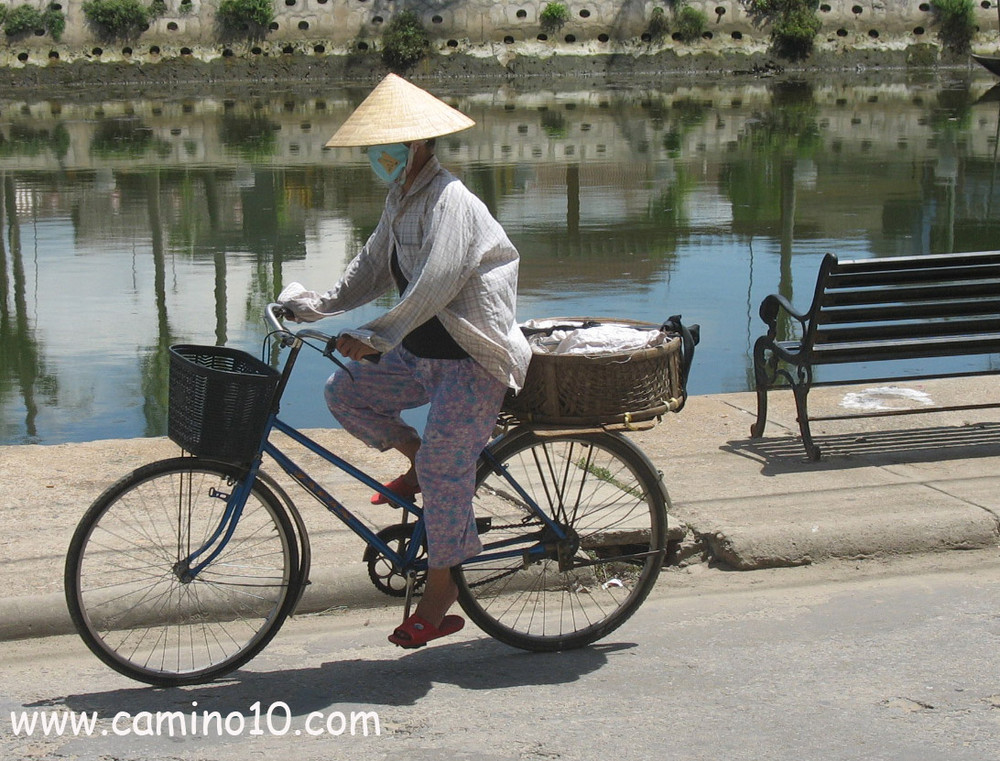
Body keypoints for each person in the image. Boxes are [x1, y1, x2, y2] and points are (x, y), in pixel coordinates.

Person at [278, 73, 531, 649]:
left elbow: (436, 284)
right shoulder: (401, 200)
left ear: (416, 146)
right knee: (346, 393)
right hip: (424, 356)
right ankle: (415, 456)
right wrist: (310, 307)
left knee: (448, 469)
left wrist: (377, 335)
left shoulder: (452, 202)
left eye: (383, 145)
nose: (376, 156)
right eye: (373, 147)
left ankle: (442, 595)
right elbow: (368, 271)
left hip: (473, 359)